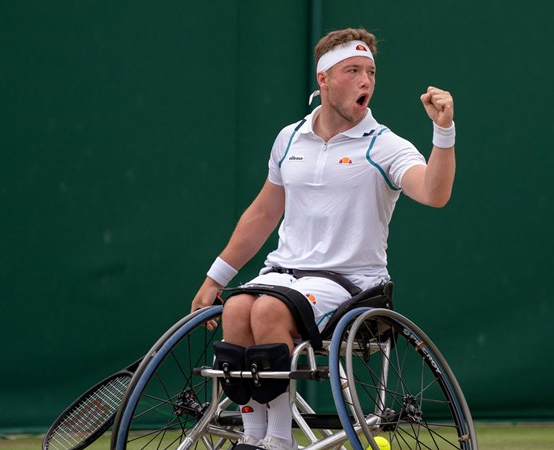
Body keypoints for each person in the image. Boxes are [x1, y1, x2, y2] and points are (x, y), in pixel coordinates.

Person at [190, 27, 456, 450]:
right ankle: (254, 435)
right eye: (353, 70)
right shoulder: (289, 138)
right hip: (284, 272)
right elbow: (262, 214)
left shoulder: (385, 145)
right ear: (325, 80)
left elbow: (435, 192)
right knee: (238, 309)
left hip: (351, 283)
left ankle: (278, 441)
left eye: (370, 71)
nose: (365, 80)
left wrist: (444, 133)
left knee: (267, 312)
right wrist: (215, 279)